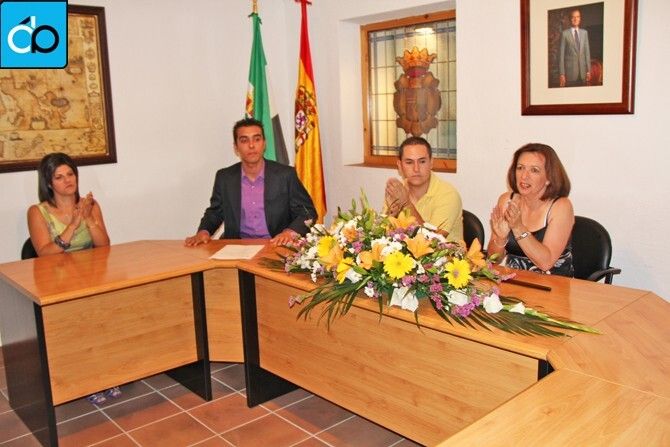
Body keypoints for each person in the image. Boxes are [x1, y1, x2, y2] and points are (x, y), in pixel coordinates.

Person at [27, 152, 120, 404]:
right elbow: (44, 253)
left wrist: (87, 219)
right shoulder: (38, 212)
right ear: (49, 183)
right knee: (78, 325)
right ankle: (85, 380)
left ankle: (106, 373)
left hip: (89, 275)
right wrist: (73, 224)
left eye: (70, 174)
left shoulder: (90, 205)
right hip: (56, 280)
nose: (67, 180)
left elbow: (104, 245)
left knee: (107, 316)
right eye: (59, 177)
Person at [185, 118, 317, 247]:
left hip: (275, 245)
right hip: (237, 247)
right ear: (236, 147)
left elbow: (307, 212)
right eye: (244, 140)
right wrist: (204, 231)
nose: (251, 145)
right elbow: (215, 212)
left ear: (264, 144)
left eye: (257, 139)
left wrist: (290, 232)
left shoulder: (285, 175)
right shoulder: (225, 177)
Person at [487, 143, 574, 276]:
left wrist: (518, 228)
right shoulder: (506, 201)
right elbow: (494, 261)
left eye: (534, 170)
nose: (524, 176)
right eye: (520, 168)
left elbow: (546, 263)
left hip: (553, 284)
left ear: (549, 178)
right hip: (515, 280)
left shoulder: (561, 206)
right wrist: (500, 238)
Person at [385, 136, 463, 242]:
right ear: (400, 165)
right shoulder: (398, 191)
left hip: (445, 252)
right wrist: (390, 214)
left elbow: (432, 241)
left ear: (431, 163)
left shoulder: (449, 195)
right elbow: (382, 236)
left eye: (422, 161)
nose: (416, 169)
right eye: (409, 162)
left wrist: (406, 204)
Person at [559, 8, 591, 87]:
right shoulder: (564, 34)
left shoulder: (584, 33)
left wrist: (588, 70)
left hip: (583, 73)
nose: (575, 19)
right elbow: (561, 56)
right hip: (570, 74)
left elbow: (587, 53)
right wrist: (562, 74)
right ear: (570, 19)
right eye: (573, 17)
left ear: (580, 19)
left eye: (578, 17)